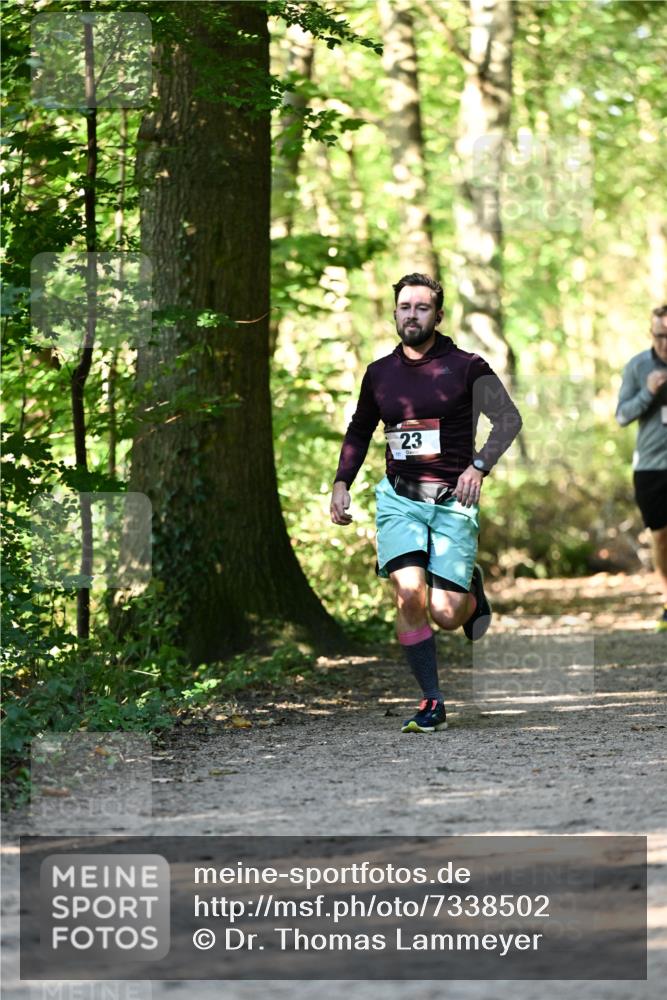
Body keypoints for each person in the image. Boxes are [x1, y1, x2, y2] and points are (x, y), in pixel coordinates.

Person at [330, 273, 522, 733]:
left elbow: (508, 419)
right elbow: (360, 429)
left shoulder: (467, 367)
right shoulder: (380, 373)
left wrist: (478, 466)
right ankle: (431, 699)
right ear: (394, 312)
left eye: (421, 308)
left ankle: (470, 597)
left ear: (437, 315)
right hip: (399, 498)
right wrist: (342, 482)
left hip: (453, 499)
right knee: (409, 595)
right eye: (404, 307)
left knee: (446, 613)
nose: (411, 315)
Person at [616, 304, 667, 631]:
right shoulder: (638, 366)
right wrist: (648, 392)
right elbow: (622, 416)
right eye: (660, 335)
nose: (665, 342)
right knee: (661, 537)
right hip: (651, 468)